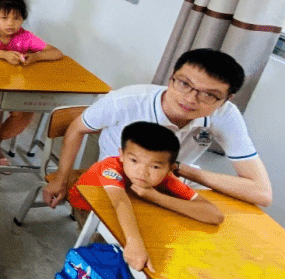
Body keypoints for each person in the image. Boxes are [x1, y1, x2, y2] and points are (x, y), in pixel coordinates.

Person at [43, 48, 272, 209]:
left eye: (209, 95)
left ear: (226, 99)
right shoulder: (126, 100)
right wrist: (61, 179)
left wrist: (182, 170)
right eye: (184, 84)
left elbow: (261, 193)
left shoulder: (226, 115)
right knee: (114, 251)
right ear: (171, 78)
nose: (191, 99)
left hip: (172, 185)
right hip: (116, 182)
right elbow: (77, 128)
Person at [68, 121, 223, 271]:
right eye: (134, 160)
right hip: (87, 206)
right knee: (110, 252)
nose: (142, 172)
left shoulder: (167, 178)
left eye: (155, 166)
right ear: (121, 155)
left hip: (133, 207)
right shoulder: (111, 167)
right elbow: (120, 202)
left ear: (171, 168)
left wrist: (156, 197)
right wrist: (134, 241)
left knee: (163, 245)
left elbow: (215, 215)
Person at [0, 0, 62, 179]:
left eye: (17, 18)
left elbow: (56, 52)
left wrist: (35, 57)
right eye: (4, 18)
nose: (10, 23)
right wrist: (2, 55)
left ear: (23, 20)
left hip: (13, 87)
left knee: (26, 113)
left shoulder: (25, 37)